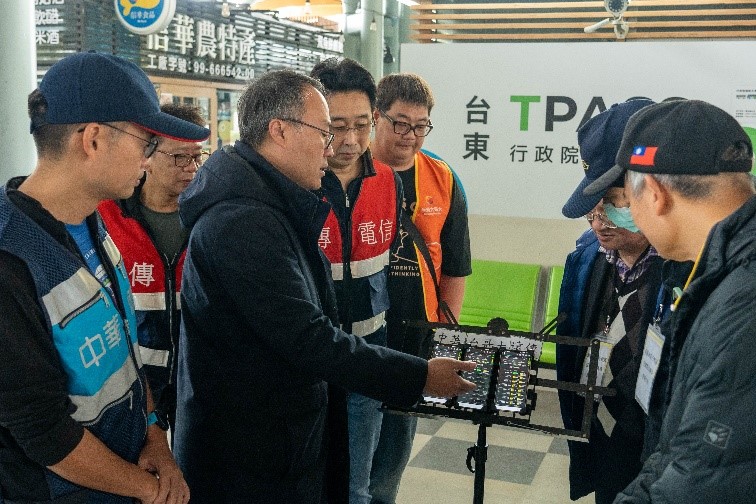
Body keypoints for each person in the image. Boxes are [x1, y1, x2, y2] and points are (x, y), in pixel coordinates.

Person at [172, 69, 477, 503]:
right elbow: (306, 337)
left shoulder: (277, 201)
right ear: (279, 130)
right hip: (250, 452)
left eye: (358, 126)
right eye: (326, 131)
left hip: (289, 421)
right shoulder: (243, 221)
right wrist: (421, 375)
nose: (334, 147)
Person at [0, 52, 208, 503]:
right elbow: (44, 430)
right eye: (146, 144)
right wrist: (150, 490)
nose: (148, 162)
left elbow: (124, 352)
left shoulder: (93, 222)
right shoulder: (11, 260)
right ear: (93, 139)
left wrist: (153, 434)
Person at [583, 99, 756, 504]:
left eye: (625, 202)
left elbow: (703, 478)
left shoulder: (742, 299)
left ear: (655, 195)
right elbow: (681, 445)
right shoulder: (715, 272)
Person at [369, 73, 472, 504]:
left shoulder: (442, 178)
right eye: (400, 123)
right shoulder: (349, 169)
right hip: (355, 338)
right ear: (376, 117)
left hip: (413, 343)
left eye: (421, 125)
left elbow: (456, 267)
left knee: (390, 462)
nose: (410, 135)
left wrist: (441, 338)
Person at [556, 99, 664, 504]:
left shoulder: (687, 271)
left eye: (614, 201)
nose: (599, 220)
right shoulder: (587, 257)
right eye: (593, 207)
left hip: (656, 453)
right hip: (599, 437)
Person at [309, 58, 403, 504]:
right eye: (337, 126)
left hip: (367, 356)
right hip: (308, 362)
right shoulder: (297, 184)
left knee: (356, 487)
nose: (350, 140)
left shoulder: (388, 182)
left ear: (376, 119)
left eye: (362, 125)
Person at [98, 104, 208, 437]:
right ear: (146, 156)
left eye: (197, 157)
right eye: (179, 157)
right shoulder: (108, 217)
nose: (191, 168)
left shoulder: (212, 216)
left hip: (199, 378)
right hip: (133, 383)